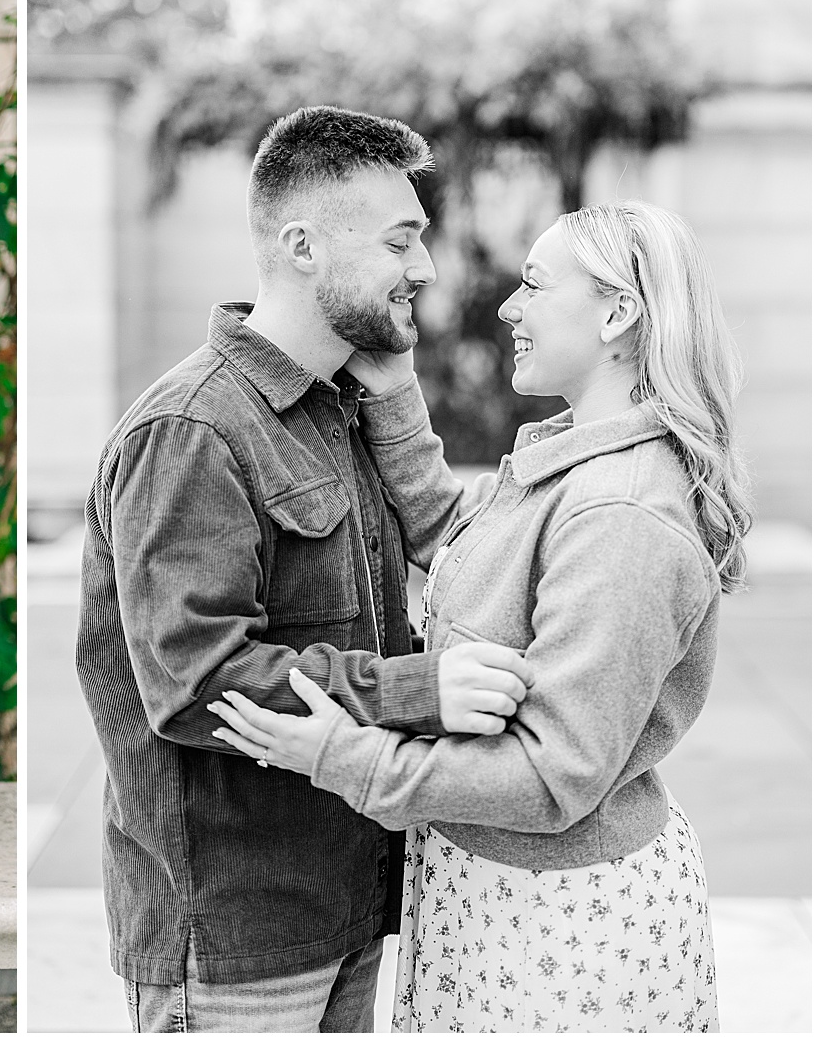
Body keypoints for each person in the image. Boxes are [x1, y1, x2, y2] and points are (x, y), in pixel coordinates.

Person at [211, 200, 749, 1031]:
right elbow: (467, 559)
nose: (508, 307)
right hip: (499, 898)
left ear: (617, 313)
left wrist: (345, 756)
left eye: (534, 285)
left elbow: (551, 776)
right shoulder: (574, 455)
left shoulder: (622, 516)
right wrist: (394, 398)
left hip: (563, 931)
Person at [76, 106, 542, 1033]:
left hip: (346, 901)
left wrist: (400, 404)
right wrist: (422, 692)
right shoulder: (196, 429)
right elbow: (199, 684)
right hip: (235, 930)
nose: (426, 269)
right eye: (400, 241)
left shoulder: (345, 406)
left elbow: (454, 553)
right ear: (302, 246)